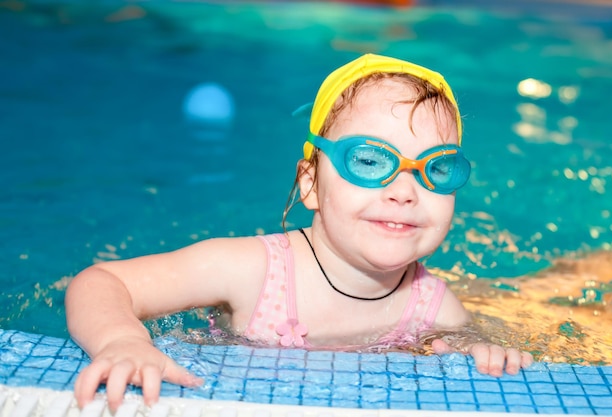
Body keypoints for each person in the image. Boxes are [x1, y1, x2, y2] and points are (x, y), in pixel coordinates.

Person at [65, 53, 533, 410]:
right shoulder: (249, 270)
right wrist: (121, 341)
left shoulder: (433, 304)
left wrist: (480, 348)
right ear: (310, 183)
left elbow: (471, 345)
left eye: (437, 168)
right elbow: (102, 282)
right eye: (369, 161)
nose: (404, 192)